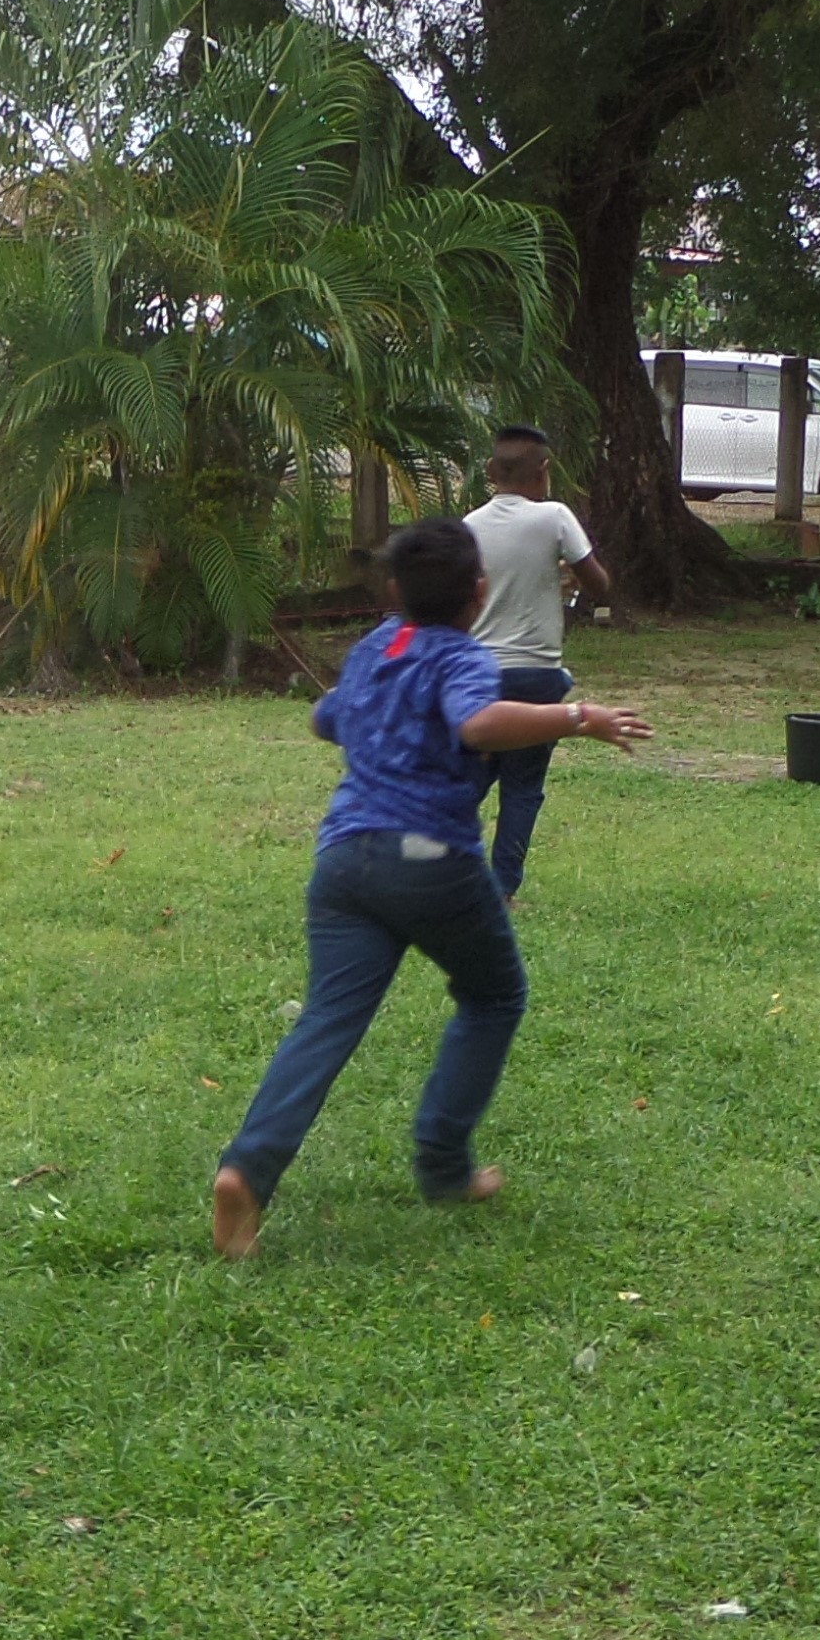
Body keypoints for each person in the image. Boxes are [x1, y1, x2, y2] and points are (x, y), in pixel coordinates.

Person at [210, 518, 651, 1259]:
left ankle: (247, 1172)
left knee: (327, 1018)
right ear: (478, 593)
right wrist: (578, 717)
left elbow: (327, 719)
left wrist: (374, 717)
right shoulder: (461, 656)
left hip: (345, 860)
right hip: (429, 860)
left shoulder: (374, 647)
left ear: (392, 591)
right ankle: (444, 1165)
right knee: (494, 995)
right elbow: (478, 725)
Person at [464, 424, 627, 899]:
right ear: (545, 471)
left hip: (478, 674)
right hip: (536, 675)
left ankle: (440, 864)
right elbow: (599, 585)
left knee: (470, 777)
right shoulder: (554, 517)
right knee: (523, 785)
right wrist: (570, 578)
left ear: (492, 472)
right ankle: (503, 888)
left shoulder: (468, 527)